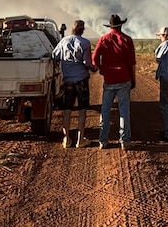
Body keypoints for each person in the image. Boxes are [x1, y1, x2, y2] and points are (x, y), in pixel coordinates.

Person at [92, 14, 136, 150]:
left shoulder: (104, 39)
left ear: (110, 26)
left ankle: (103, 140)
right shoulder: (127, 40)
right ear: (121, 25)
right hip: (124, 79)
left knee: (105, 110)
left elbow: (94, 58)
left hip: (110, 80)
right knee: (124, 111)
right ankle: (125, 141)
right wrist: (133, 79)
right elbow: (132, 63)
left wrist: (101, 69)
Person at [52, 20, 97, 149]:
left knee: (67, 110)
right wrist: (94, 69)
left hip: (68, 81)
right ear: (82, 30)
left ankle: (66, 139)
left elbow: (54, 56)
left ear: (72, 29)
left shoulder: (63, 41)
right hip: (81, 79)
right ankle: (80, 140)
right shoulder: (85, 43)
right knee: (82, 110)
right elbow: (87, 63)